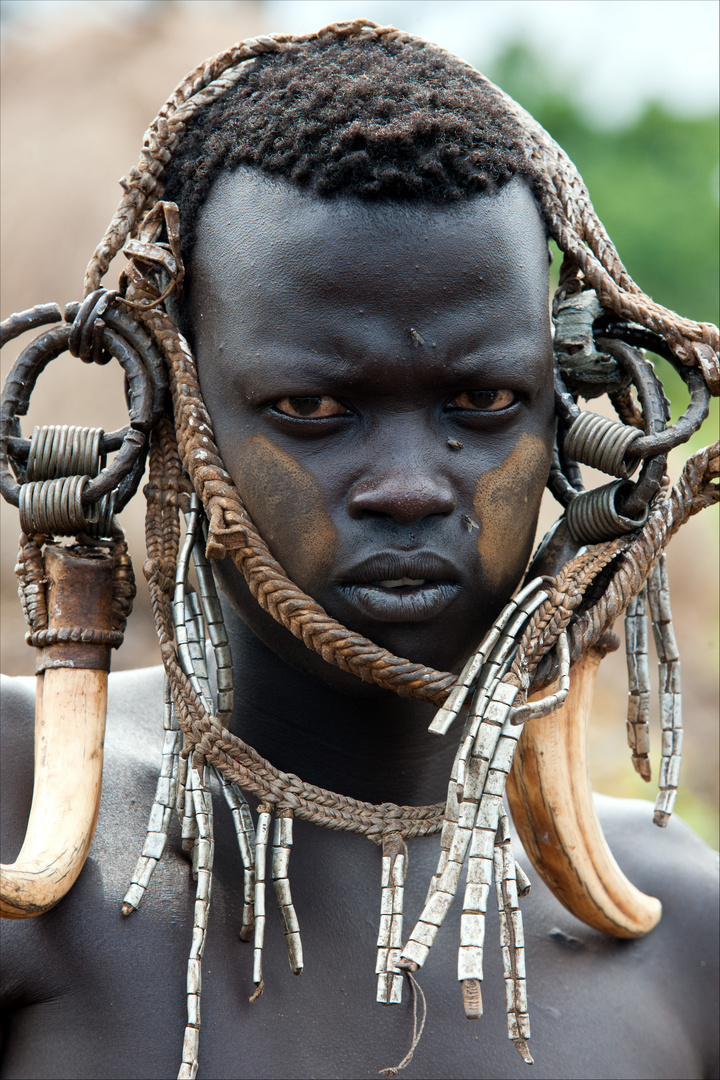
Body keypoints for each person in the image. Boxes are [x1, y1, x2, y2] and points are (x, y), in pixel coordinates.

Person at [1, 20, 718, 1080]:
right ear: (171, 402)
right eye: (313, 405)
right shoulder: (21, 818)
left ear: (572, 412)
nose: (410, 484)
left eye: (481, 400)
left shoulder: (676, 931)